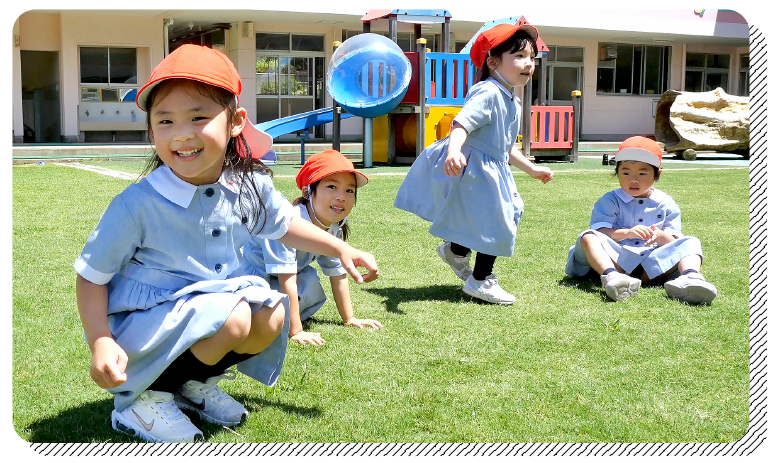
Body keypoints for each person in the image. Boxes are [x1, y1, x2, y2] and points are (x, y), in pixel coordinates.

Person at [74, 45, 379, 443]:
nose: (181, 133)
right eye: (164, 121)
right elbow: (91, 276)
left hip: (212, 305)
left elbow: (285, 224)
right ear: (151, 130)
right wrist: (100, 340)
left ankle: (190, 386)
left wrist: (340, 248)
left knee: (271, 313)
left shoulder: (248, 183)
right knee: (234, 316)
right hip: (147, 325)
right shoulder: (137, 204)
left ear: (235, 121)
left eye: (198, 116)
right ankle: (143, 401)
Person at [394, 23, 553, 304]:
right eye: (518, 56)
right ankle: (481, 280)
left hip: (491, 168)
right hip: (476, 170)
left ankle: (456, 251)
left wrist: (531, 168)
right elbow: (461, 123)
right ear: (493, 62)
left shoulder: (511, 99)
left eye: (531, 57)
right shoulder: (488, 92)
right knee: (496, 219)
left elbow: (504, 146)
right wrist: (454, 151)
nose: (528, 64)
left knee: (497, 214)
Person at [239, 150, 383, 346]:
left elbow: (337, 274)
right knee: (257, 315)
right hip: (249, 278)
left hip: (278, 279)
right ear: (307, 191)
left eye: (350, 190)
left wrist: (350, 318)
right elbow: (286, 278)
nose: (342, 197)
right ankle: (276, 319)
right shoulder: (287, 224)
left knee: (310, 281)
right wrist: (296, 331)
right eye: (332, 186)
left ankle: (281, 316)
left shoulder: (333, 227)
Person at [565, 136, 717, 304]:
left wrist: (659, 236)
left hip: (650, 267)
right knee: (588, 237)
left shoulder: (665, 202)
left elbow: (674, 241)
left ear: (657, 175)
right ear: (617, 172)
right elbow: (600, 231)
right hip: (617, 260)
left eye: (642, 173)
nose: (633, 179)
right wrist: (626, 233)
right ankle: (612, 277)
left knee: (691, 241)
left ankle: (690, 278)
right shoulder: (610, 200)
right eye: (626, 172)